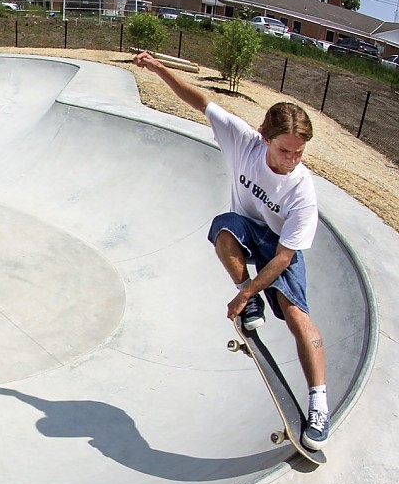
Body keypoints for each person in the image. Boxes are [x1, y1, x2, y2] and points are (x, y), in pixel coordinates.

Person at [133, 50, 330, 451]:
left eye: (298, 153)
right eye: (284, 151)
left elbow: (283, 259)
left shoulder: (303, 192)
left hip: (280, 249)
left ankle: (319, 403)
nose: (291, 161)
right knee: (223, 228)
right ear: (263, 136)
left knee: (297, 317)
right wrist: (157, 68)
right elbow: (199, 99)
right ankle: (254, 306)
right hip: (247, 232)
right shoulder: (243, 141)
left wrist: (246, 292)